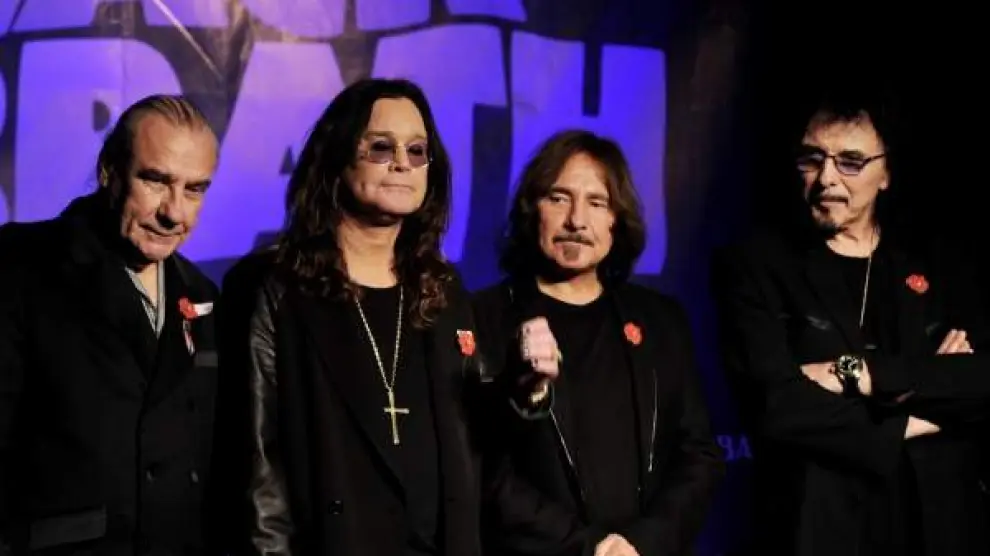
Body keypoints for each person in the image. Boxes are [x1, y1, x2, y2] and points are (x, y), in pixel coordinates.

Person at [238, 77, 556, 556]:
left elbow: (481, 446)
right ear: (338, 158)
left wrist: (525, 389)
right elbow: (258, 463)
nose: (403, 163)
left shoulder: (442, 288)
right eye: (381, 147)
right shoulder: (278, 286)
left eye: (417, 150)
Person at [712, 87, 990, 555]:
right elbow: (775, 404)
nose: (826, 179)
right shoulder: (755, 266)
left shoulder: (941, 263)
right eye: (812, 159)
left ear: (886, 173)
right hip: (819, 525)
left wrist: (857, 373)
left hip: (938, 522)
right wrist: (910, 416)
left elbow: (980, 378)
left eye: (850, 162)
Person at [472, 129, 725, 556]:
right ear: (532, 208)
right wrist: (586, 548)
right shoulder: (483, 319)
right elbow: (482, 469)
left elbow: (698, 455)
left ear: (615, 219)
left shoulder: (661, 320)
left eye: (596, 202)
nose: (576, 220)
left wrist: (644, 543)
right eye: (558, 198)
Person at [0, 95, 221, 555]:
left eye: (195, 189)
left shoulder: (202, 293)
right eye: (156, 181)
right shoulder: (21, 267)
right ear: (109, 171)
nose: (174, 212)